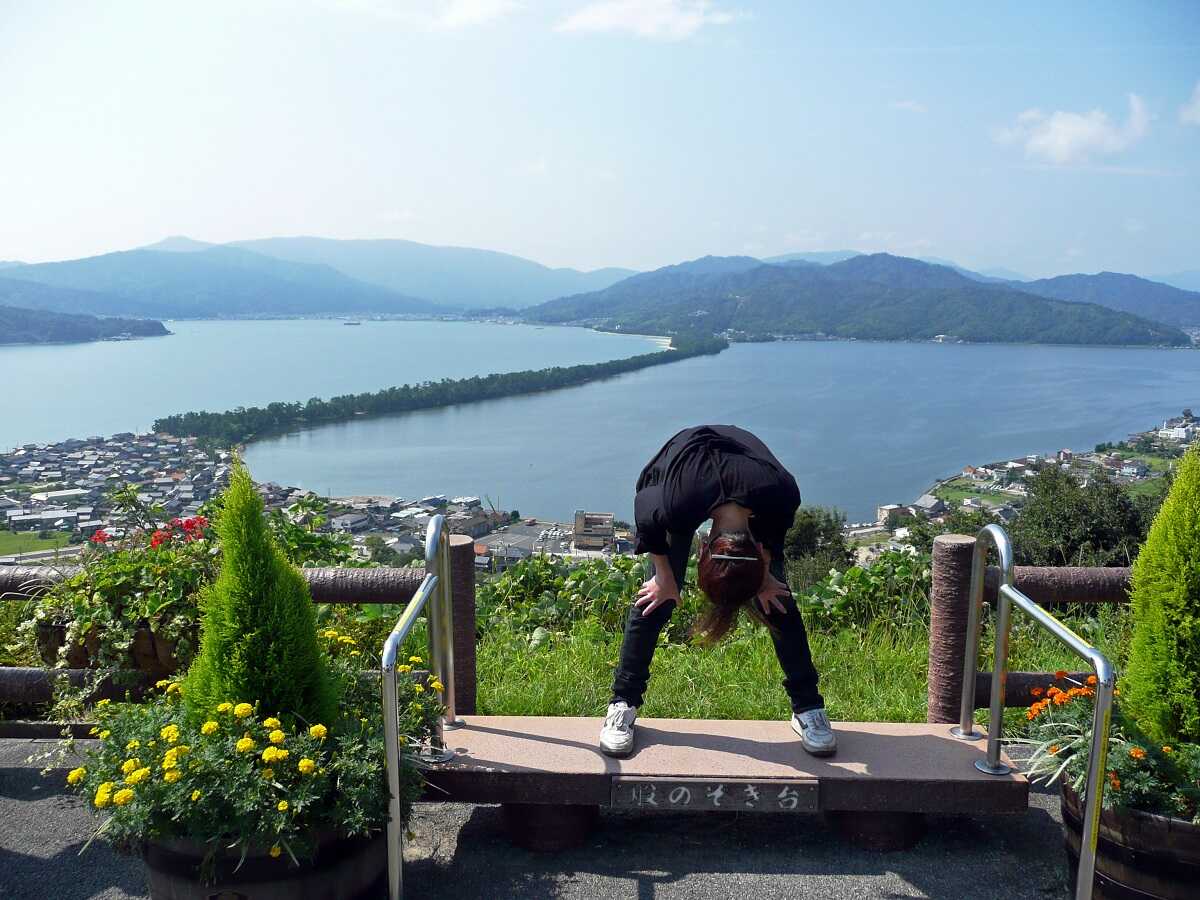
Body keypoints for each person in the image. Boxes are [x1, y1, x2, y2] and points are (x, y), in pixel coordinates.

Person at [599, 424, 836, 758]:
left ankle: (808, 708)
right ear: (702, 546)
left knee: (777, 600)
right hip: (680, 464)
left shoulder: (780, 497)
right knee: (654, 599)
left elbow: (772, 542)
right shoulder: (674, 504)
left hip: (748, 463)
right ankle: (622, 704)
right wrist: (664, 577)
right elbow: (646, 513)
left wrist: (765, 576)